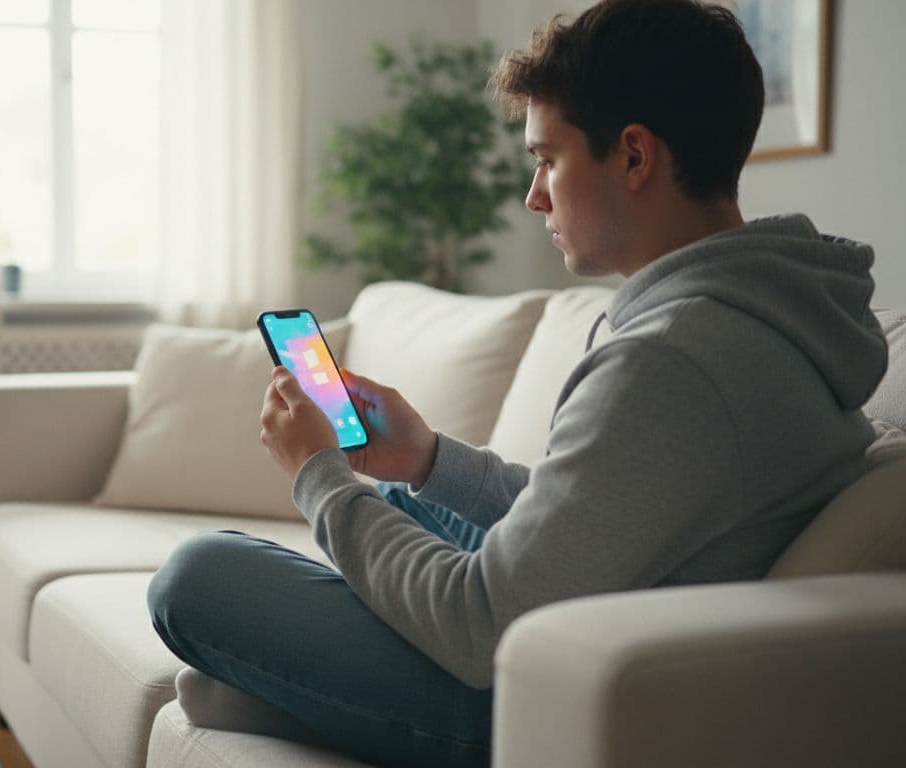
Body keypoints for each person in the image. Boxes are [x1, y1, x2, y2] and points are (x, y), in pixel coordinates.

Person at [147, 1, 888, 765]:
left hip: (548, 697)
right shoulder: (769, 317)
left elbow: (484, 626)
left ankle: (283, 685)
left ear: (634, 157)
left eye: (546, 159)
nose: (535, 195)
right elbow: (590, 521)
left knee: (198, 577)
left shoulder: (674, 358)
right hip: (595, 623)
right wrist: (432, 459)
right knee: (405, 501)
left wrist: (317, 476)